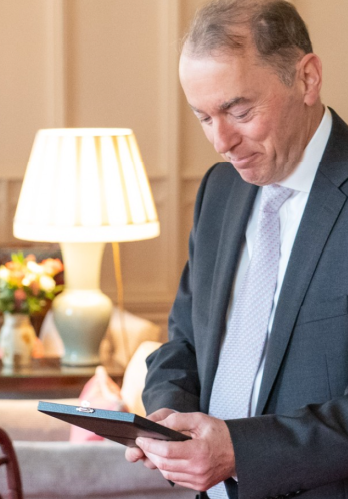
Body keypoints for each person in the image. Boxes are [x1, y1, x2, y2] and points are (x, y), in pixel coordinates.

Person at [124, 1, 348, 498]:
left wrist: (240, 451)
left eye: (239, 111)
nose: (221, 141)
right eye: (204, 117)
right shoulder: (219, 191)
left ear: (307, 79)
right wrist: (168, 420)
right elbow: (184, 341)